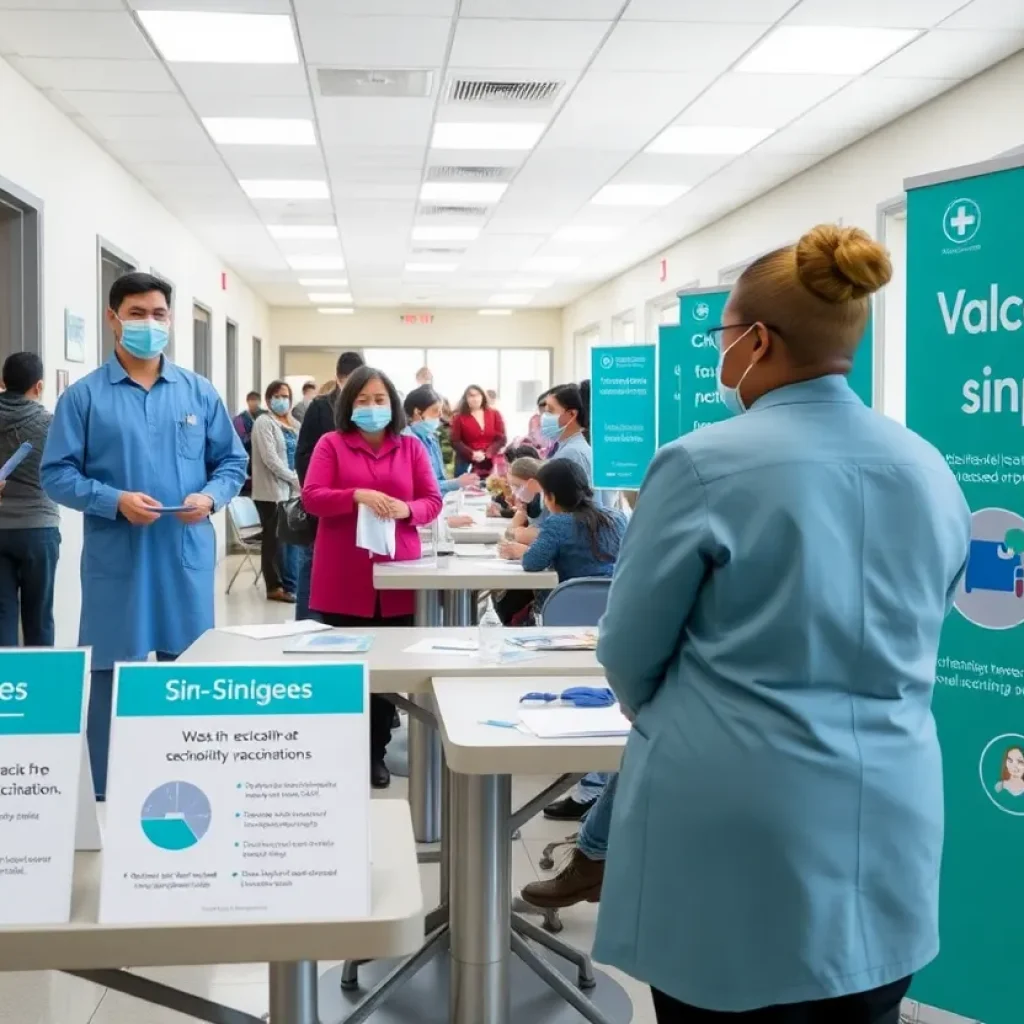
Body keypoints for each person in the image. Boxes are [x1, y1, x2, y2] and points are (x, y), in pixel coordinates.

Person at [592, 225, 971, 1022]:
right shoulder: (929, 466)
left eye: (722, 336)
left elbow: (627, 649)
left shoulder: (700, 464)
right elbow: (926, 620)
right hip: (890, 807)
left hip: (737, 816)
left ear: (757, 341)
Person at [41, 270, 247, 800]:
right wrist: (113, 500)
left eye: (158, 314)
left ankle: (193, 779)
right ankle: (106, 789)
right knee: (112, 669)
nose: (149, 323)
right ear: (113, 319)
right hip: (120, 559)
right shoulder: (85, 397)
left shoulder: (198, 393)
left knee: (189, 673)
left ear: (170, 320)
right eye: (137, 314)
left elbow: (231, 462)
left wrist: (210, 497)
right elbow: (56, 474)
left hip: (183, 554)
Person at [302, 366, 442, 788]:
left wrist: (407, 509)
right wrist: (356, 496)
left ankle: (374, 754)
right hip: (343, 575)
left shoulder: (410, 446)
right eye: (363, 400)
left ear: (393, 404)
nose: (372, 406)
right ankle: (339, 752)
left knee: (387, 675)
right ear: (349, 405)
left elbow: (432, 501)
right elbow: (312, 498)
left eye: (380, 399)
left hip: (398, 574)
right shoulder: (331, 444)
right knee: (345, 672)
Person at [294, 351, 365, 620]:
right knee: (312, 563)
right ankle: (306, 623)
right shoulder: (321, 407)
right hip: (324, 501)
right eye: (348, 381)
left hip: (358, 503)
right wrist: (317, 491)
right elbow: (302, 455)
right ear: (338, 378)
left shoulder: (365, 407)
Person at [0, 352, 61, 647]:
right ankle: (42, 675)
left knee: (2, 616)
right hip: (39, 528)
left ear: (3, 382)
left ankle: (5, 675)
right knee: (39, 617)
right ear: (39, 386)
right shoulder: (51, 425)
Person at [251, 380, 300, 603]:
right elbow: (270, 458)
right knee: (275, 541)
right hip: (271, 493)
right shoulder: (264, 422)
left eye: (285, 396)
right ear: (269, 399)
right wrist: (293, 478)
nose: (282, 400)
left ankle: (292, 584)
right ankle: (274, 586)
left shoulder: (293, 424)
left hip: (292, 491)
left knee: (292, 540)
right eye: (277, 396)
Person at [402, 385, 477, 494]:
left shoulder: (431, 437)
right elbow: (419, 486)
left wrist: (459, 483)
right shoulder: (407, 443)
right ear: (418, 412)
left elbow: (439, 477)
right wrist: (456, 483)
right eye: (436, 410)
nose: (440, 415)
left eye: (441, 410)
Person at [450, 385, 506, 480]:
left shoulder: (495, 414)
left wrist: (488, 453)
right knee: (464, 486)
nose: (475, 399)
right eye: (471, 396)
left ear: (483, 396)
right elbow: (455, 441)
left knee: (493, 486)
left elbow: (501, 438)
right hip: (466, 459)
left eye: (478, 395)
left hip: (491, 459)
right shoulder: (458, 417)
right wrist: (472, 454)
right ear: (466, 399)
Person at [233, 390, 262, 496]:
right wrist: (254, 434)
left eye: (256, 400)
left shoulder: (264, 416)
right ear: (247, 401)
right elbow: (241, 440)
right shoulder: (240, 419)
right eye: (252, 400)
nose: (254, 403)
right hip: (248, 457)